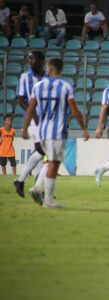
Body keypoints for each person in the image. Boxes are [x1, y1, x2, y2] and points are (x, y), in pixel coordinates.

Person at [21, 58, 90, 209]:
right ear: (60, 69)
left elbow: (30, 109)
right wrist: (84, 128)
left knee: (50, 162)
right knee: (54, 164)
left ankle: (37, 188)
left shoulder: (38, 86)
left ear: (50, 69)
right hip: (57, 131)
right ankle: (48, 200)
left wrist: (25, 128)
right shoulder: (65, 86)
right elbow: (74, 111)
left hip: (41, 131)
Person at [13, 50, 46, 198]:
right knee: (42, 150)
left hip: (47, 119)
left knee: (41, 151)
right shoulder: (25, 77)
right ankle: (23, 181)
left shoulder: (47, 77)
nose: (29, 61)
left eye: (32, 59)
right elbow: (20, 99)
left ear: (40, 61)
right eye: (29, 58)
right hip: (34, 119)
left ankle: (34, 187)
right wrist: (32, 113)